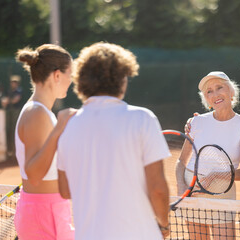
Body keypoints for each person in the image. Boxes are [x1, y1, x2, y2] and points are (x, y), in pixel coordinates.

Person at [56, 42, 171, 240]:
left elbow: (65, 190)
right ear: (122, 79)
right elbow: (158, 189)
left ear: (82, 81)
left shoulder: (68, 126)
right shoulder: (142, 119)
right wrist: (163, 223)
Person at [177, 71, 240, 240]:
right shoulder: (196, 122)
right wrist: (182, 186)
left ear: (231, 91)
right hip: (193, 194)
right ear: (206, 99)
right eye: (209, 91)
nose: (215, 94)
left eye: (219, 88)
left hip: (223, 197)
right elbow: (181, 161)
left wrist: (216, 176)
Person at [14, 44, 76, 240]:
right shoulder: (37, 113)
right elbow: (34, 174)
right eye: (70, 74)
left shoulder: (40, 112)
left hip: (49, 210)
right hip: (44, 214)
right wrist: (60, 128)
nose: (71, 80)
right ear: (57, 75)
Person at [0, 75, 23, 159]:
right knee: (7, 130)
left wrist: (7, 101)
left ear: (17, 83)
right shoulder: (8, 91)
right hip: (8, 111)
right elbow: (4, 102)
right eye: (12, 82)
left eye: (15, 82)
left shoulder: (19, 90)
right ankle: (8, 151)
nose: (13, 84)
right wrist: (5, 102)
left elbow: (15, 100)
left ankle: (15, 151)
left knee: (14, 130)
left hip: (15, 111)